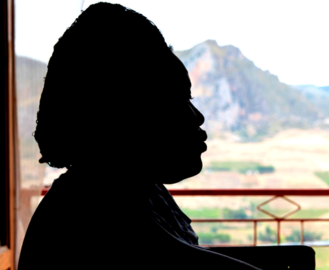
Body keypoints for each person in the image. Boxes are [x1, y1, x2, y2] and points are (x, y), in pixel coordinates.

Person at [18, 3, 261, 269]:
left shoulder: (135, 190)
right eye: (175, 101)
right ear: (123, 115)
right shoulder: (96, 212)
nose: (197, 117)